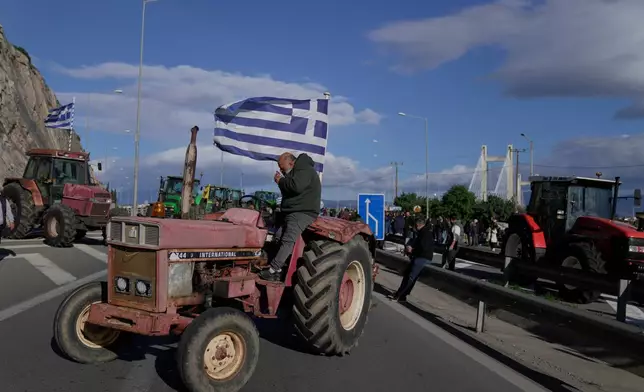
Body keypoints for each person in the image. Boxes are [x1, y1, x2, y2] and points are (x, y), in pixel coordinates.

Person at [258, 152, 321, 281]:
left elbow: (295, 187)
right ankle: (279, 268)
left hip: (302, 212)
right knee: (278, 236)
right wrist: (281, 181)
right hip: (292, 211)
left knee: (288, 239)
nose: (281, 170)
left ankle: (274, 269)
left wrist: (281, 180)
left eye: (282, 167)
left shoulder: (304, 170)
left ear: (291, 162)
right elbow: (290, 191)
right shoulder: (296, 172)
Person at [388, 217, 434, 302]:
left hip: (422, 258)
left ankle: (400, 295)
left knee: (410, 278)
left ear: (417, 225)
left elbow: (424, 247)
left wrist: (412, 250)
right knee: (408, 275)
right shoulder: (424, 232)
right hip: (419, 257)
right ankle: (401, 294)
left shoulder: (425, 233)